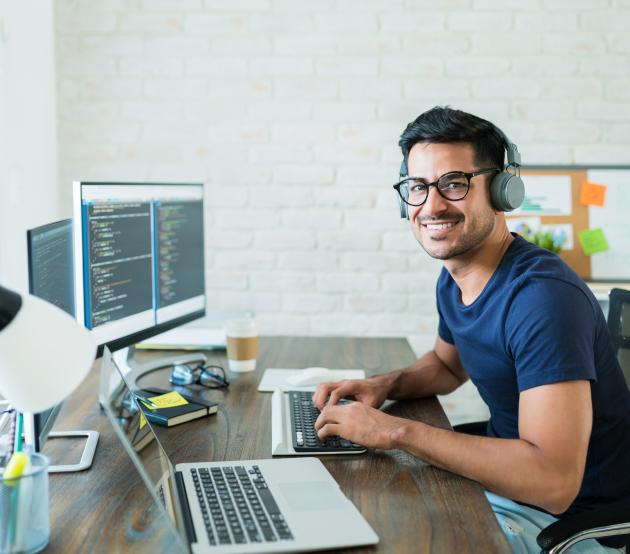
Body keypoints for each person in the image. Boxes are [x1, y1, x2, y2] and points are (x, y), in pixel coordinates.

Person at [313, 106, 630, 554]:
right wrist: (383, 385)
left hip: (567, 525)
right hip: (507, 490)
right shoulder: (455, 277)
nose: (432, 205)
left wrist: (396, 432)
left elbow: (554, 482)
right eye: (418, 187)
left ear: (502, 191)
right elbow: (446, 365)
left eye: (455, 183)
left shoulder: (543, 299)